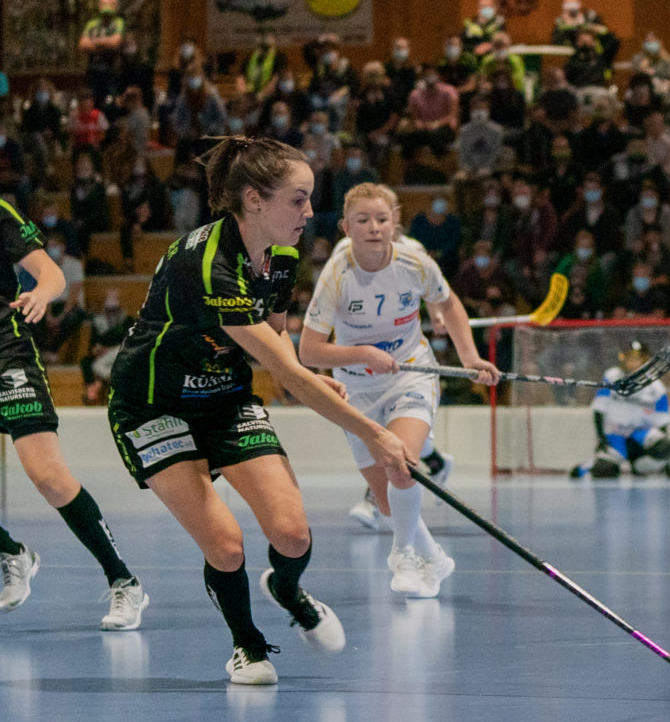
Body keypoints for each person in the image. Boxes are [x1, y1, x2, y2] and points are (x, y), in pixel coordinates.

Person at [106, 136, 417, 685]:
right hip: (152, 406)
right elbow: (290, 373)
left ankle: (287, 588)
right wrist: (378, 436)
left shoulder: (285, 254)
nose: (309, 212)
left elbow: (276, 342)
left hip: (224, 398)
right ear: (254, 200)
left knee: (292, 535)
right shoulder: (208, 266)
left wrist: (310, 378)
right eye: (298, 199)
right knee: (226, 546)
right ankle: (247, 645)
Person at [299, 183, 499, 596]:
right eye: (362, 220)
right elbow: (309, 350)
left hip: (411, 372)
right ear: (345, 227)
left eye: (382, 219)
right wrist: (362, 354)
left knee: (401, 465)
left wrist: (470, 358)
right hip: (355, 389)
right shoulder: (336, 275)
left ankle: (403, 556)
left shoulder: (414, 262)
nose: (373, 228)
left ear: (395, 223)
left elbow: (448, 304)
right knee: (387, 500)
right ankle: (435, 560)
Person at [0, 197, 148, 627]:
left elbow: (50, 273)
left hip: (6, 349)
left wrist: (42, 293)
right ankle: (13, 553)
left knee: (47, 475)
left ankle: (124, 581)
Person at [569, 341, 670, 479]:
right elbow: (599, 408)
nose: (632, 362)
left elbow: (662, 420)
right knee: (605, 472)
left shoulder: (657, 387)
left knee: (667, 448)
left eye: (636, 358)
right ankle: (586, 467)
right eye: (629, 358)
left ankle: (639, 467)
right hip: (616, 433)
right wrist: (601, 437)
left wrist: (663, 457)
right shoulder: (612, 377)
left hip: (641, 434)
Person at [78, 0, 125, 108]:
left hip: (112, 71)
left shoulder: (119, 23)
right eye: (104, 3)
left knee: (112, 104)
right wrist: (105, 44)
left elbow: (115, 43)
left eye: (111, 4)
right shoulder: (92, 23)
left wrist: (95, 42)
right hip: (93, 70)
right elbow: (83, 44)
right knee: (92, 103)